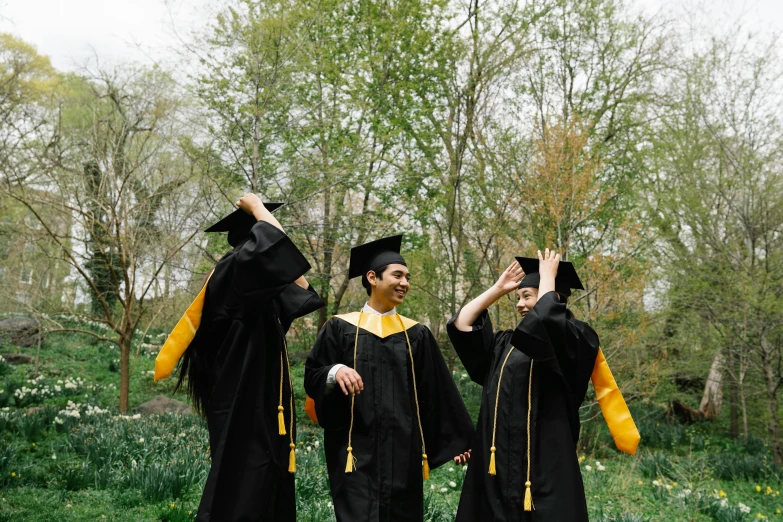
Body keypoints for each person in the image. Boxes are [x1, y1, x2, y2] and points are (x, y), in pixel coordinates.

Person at [154, 194, 324, 522]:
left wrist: (261, 218)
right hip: (242, 397)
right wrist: (258, 209)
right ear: (253, 245)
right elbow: (281, 251)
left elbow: (303, 285)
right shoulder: (233, 270)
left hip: (263, 402)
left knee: (264, 481)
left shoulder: (260, 289)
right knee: (244, 482)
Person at [448, 249, 640, 521]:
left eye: (527, 296)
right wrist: (497, 289)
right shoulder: (505, 344)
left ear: (554, 297)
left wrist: (548, 277)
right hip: (497, 464)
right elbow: (463, 324)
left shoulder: (577, 338)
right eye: (518, 298)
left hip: (545, 466)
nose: (519, 304)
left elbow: (549, 324)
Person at [304, 235, 474, 522]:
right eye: (398, 275)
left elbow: (437, 391)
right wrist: (335, 371)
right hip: (353, 451)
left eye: (407, 277)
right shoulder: (339, 327)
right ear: (372, 277)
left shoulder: (415, 334)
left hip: (402, 454)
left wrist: (457, 441)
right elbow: (312, 376)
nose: (405, 283)